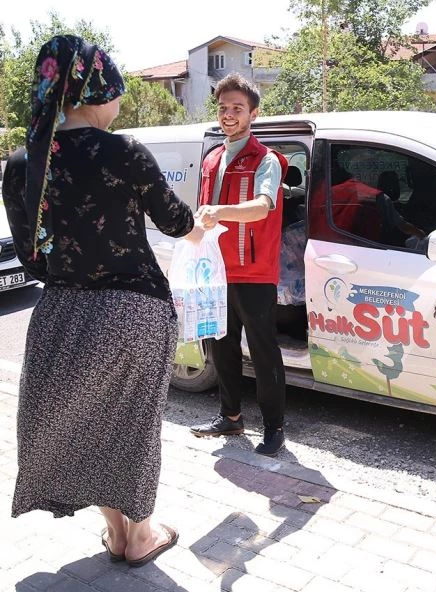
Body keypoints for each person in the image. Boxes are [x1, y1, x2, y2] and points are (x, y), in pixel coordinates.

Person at [3, 35, 202, 566]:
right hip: (132, 310)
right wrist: (200, 226)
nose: (118, 105)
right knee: (131, 426)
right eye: (116, 94)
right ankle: (139, 537)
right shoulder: (123, 151)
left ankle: (117, 532)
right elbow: (176, 221)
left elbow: (32, 258)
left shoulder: (23, 162)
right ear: (97, 91)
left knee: (85, 426)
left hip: (61, 313)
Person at [189, 73, 289, 457]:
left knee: (263, 351)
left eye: (237, 108)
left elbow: (262, 207)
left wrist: (219, 212)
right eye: (223, 108)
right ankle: (230, 416)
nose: (228, 115)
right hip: (214, 269)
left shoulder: (267, 160)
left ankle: (274, 427)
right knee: (220, 345)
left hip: (254, 271)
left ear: (253, 114)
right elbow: (202, 214)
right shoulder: (212, 158)